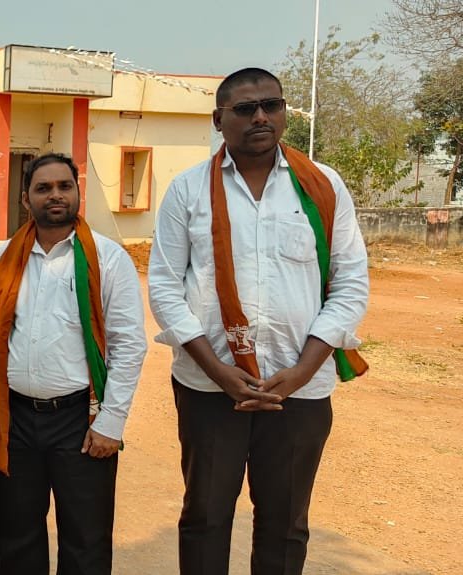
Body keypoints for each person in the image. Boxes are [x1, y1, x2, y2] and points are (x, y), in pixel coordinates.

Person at [148, 67, 369, 575]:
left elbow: (350, 284)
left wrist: (303, 372)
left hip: (299, 391)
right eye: (246, 109)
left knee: (285, 525)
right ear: (218, 119)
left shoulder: (323, 186)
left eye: (272, 105)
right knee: (205, 518)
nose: (261, 117)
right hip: (210, 388)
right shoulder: (187, 190)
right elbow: (164, 286)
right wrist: (218, 370)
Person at [0, 153, 147, 575]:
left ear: (77, 192)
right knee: (16, 538)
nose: (55, 195)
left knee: (86, 542)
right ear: (26, 199)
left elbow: (129, 345)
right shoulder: (2, 259)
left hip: (80, 420)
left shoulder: (107, 259)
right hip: (15, 419)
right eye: (43, 188)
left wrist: (111, 422)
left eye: (64, 186)